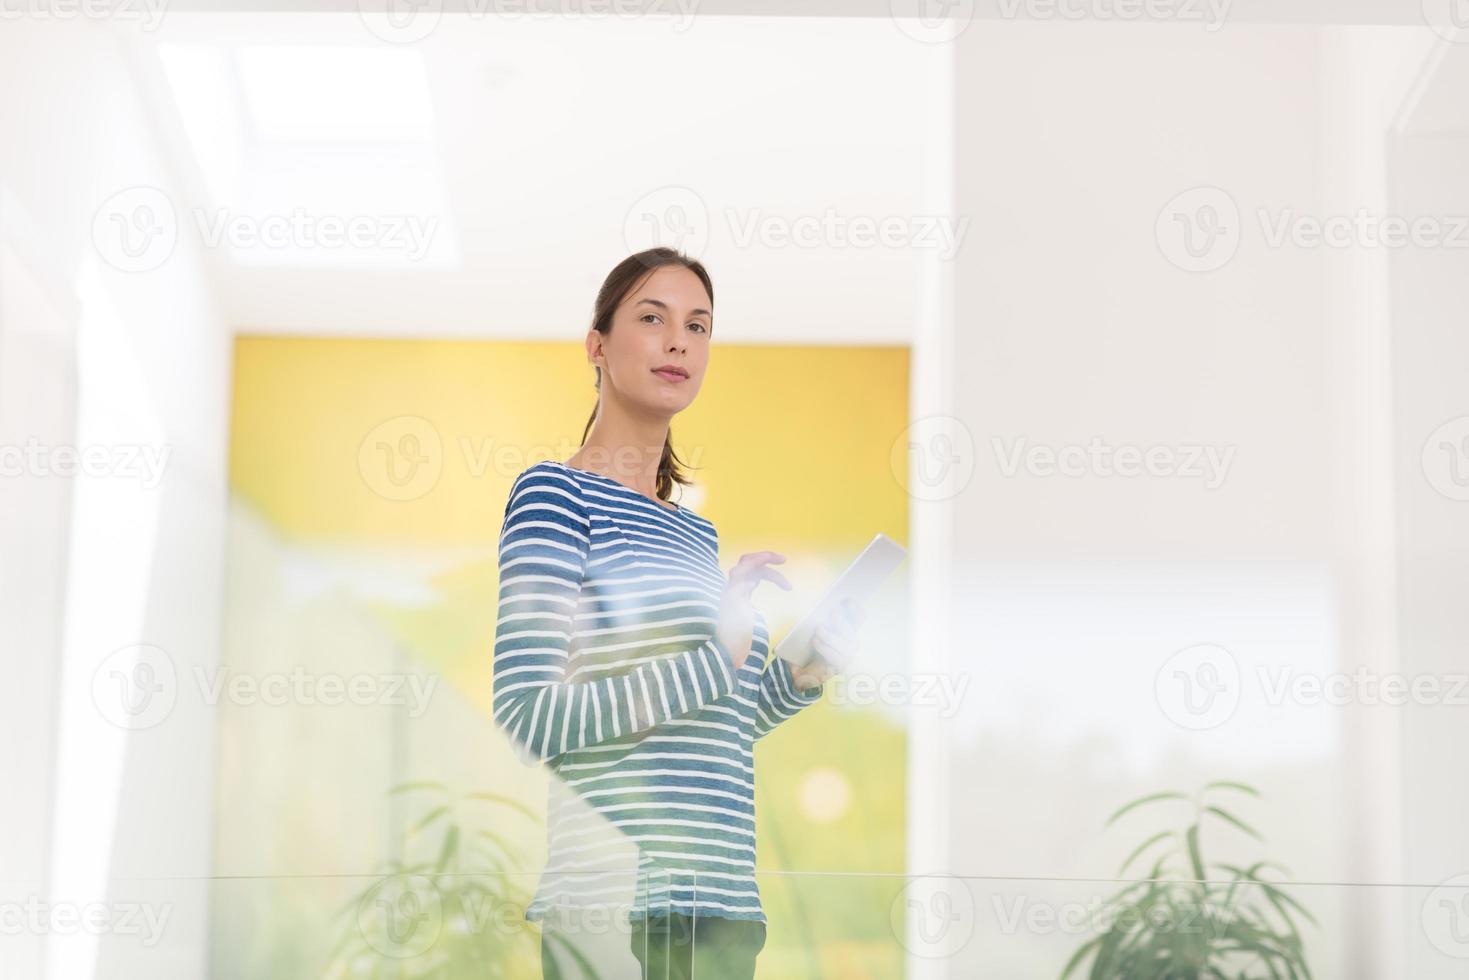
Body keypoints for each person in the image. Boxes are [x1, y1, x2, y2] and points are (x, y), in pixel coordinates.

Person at [492, 248, 862, 980]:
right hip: (617, 899)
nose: (677, 342)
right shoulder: (553, 497)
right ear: (597, 346)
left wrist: (797, 678)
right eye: (652, 318)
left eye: (697, 326)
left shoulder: (695, 532)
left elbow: (706, 724)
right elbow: (525, 717)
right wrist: (711, 659)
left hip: (723, 904)